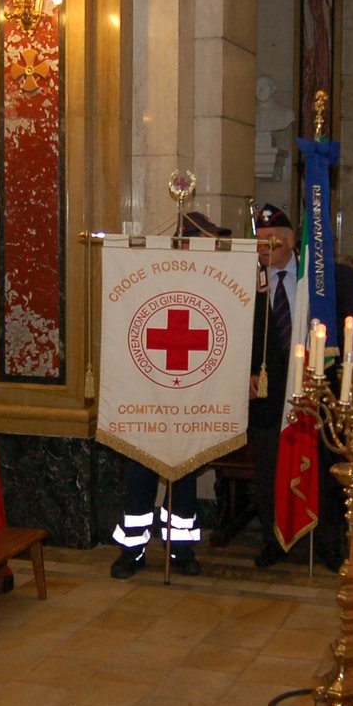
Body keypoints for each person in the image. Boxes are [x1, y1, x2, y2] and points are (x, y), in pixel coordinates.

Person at [108, 210, 230, 580]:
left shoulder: (217, 282)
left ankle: (181, 549)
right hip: (148, 394)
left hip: (194, 395)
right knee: (140, 472)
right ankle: (132, 549)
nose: (213, 246)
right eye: (206, 239)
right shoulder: (151, 279)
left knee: (186, 473)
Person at [248, 203, 353, 571]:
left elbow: (347, 335)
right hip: (266, 392)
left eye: (273, 241)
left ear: (292, 241)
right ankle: (273, 540)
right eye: (259, 241)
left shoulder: (324, 279)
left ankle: (327, 541)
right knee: (268, 469)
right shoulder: (246, 280)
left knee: (323, 467)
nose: (264, 249)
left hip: (317, 389)